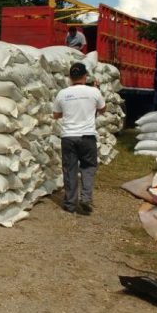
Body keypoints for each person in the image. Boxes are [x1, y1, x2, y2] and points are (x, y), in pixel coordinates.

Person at [52, 62, 106, 215]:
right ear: (85, 76)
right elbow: (102, 110)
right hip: (87, 136)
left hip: (68, 137)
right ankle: (86, 198)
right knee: (88, 167)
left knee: (70, 169)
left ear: (70, 77)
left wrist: (69, 111)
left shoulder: (62, 93)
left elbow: (56, 115)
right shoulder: (94, 92)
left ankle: (70, 204)